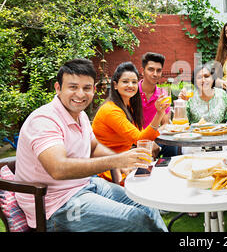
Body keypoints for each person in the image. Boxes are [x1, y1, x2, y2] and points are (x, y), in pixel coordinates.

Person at [14, 59, 168, 232]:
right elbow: (58, 168)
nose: (80, 94)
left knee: (146, 203)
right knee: (137, 220)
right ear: (58, 88)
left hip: (86, 185)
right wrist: (117, 160)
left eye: (86, 88)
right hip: (56, 206)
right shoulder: (44, 120)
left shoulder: (80, 116)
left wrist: (123, 163)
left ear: (94, 90)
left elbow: (94, 147)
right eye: (73, 87)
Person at [92, 62, 169, 182]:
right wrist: (159, 114)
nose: (130, 85)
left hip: (125, 162)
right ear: (115, 85)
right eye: (125, 81)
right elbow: (140, 139)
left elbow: (142, 135)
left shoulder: (128, 106)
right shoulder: (111, 110)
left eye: (134, 82)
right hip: (110, 170)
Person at [139, 52, 177, 157]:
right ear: (142, 71)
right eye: (151, 69)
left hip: (155, 136)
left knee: (172, 143)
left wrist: (152, 138)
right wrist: (146, 142)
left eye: (158, 70)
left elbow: (166, 124)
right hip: (134, 136)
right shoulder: (133, 91)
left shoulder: (162, 94)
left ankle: (166, 169)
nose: (155, 74)